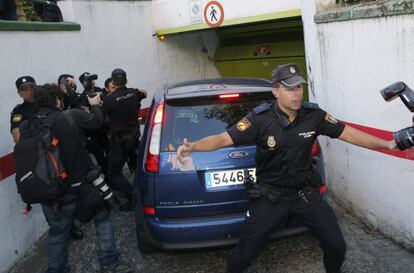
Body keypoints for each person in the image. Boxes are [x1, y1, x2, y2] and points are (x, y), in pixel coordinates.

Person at [176, 63, 397, 273]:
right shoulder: (259, 119)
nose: (296, 93)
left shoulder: (314, 116)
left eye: (299, 87)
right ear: (275, 91)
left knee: (336, 245)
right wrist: (193, 147)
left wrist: (387, 143)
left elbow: (348, 133)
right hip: (270, 197)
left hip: (304, 194)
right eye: (289, 88)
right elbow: (223, 139)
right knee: (245, 252)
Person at [30, 84, 130, 273]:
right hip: (77, 186)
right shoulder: (68, 116)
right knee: (103, 218)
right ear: (57, 100)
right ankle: (109, 265)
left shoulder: (29, 124)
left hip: (48, 191)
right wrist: (95, 105)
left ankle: (56, 270)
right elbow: (97, 123)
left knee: (58, 232)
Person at [102, 68, 147, 211]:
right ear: (126, 80)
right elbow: (144, 93)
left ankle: (132, 195)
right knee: (141, 168)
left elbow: (100, 118)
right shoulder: (134, 93)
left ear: (113, 83)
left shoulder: (109, 100)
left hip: (119, 143)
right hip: (134, 139)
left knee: (113, 173)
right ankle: (145, 194)